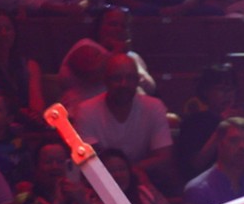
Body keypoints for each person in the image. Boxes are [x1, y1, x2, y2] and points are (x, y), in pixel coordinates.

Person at [71, 52, 173, 185]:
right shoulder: (86, 110)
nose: (123, 84)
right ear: (105, 80)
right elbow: (90, 161)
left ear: (137, 81)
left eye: (129, 78)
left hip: (144, 178)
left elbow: (164, 157)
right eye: (117, 78)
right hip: (102, 182)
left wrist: (129, 172)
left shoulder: (154, 107)